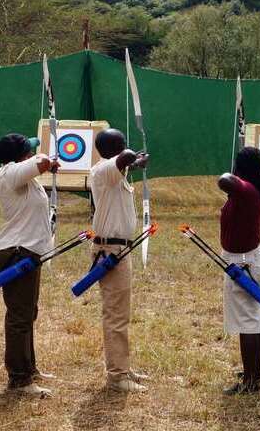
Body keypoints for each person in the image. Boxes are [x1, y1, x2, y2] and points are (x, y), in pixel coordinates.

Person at [0, 133, 58, 397]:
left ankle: (28, 368)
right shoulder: (10, 173)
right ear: (18, 156)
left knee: (28, 313)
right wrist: (48, 161)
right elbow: (41, 162)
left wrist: (46, 163)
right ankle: (19, 379)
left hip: (24, 251)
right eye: (27, 150)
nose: (32, 153)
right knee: (20, 317)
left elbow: (39, 165)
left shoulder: (20, 177)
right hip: (17, 253)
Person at [89, 128, 150, 393]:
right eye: (123, 142)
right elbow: (124, 157)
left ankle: (122, 367)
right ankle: (117, 376)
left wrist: (133, 163)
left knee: (120, 312)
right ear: (115, 147)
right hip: (111, 251)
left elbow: (124, 162)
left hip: (118, 250)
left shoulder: (113, 173)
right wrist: (132, 157)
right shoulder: (103, 170)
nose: (127, 147)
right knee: (115, 314)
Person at [217, 146, 260, 395]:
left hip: (245, 263)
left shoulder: (246, 189)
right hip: (246, 260)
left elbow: (224, 180)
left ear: (240, 167)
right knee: (253, 317)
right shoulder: (249, 189)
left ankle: (251, 381)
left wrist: (234, 174)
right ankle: (254, 372)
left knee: (249, 321)